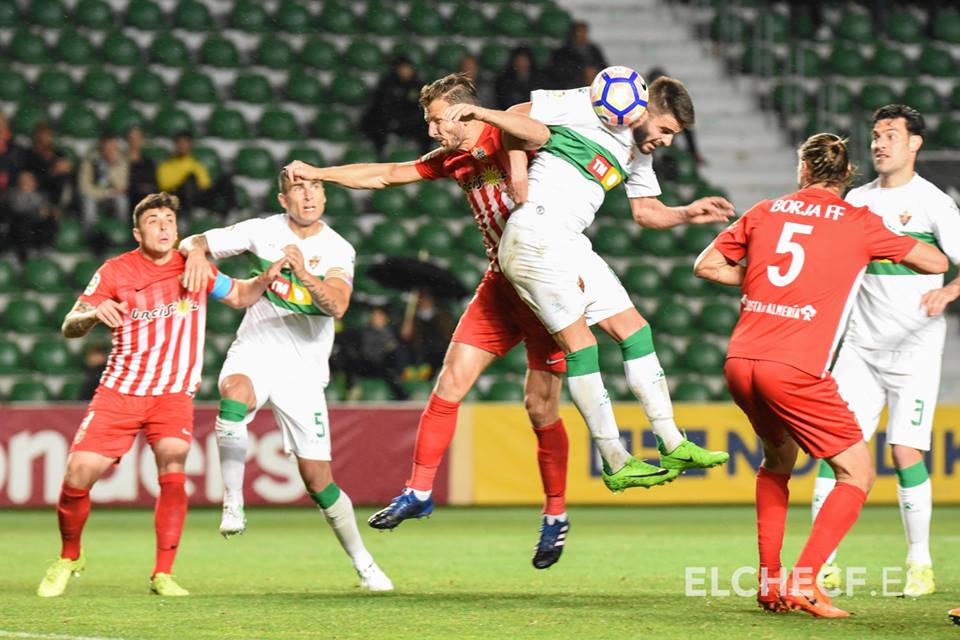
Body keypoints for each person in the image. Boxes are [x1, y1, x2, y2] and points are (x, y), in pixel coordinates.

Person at [286, 73, 576, 569]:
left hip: (546, 284)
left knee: (540, 407)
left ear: (463, 113)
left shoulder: (509, 132)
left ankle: (555, 515)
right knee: (449, 384)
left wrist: (490, 118)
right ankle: (418, 491)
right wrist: (320, 172)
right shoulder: (453, 158)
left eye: (436, 120)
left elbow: (543, 132)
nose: (431, 131)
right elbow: (387, 173)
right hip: (499, 283)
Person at [694, 133, 948, 617]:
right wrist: (880, 247)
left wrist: (759, 281)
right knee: (857, 471)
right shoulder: (859, 221)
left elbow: (706, 266)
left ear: (803, 171)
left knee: (777, 462)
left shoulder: (765, 210)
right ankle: (805, 582)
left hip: (741, 361)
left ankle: (770, 584)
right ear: (846, 175)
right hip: (793, 369)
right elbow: (935, 261)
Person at [36, 192, 284, 598]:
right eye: (154, 220)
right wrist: (92, 315)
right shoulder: (115, 271)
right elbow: (68, 326)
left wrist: (263, 280)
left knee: (173, 460)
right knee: (78, 473)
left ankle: (163, 573)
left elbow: (239, 295)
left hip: (172, 393)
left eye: (169, 219)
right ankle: (69, 556)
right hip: (121, 390)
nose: (164, 226)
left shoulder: (195, 267)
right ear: (137, 232)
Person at [497, 68, 732, 495]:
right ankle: (615, 459)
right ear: (641, 109)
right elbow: (514, 113)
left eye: (674, 135)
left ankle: (673, 442)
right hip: (534, 236)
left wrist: (687, 212)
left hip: (568, 241)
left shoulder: (638, 154)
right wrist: (517, 174)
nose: (667, 141)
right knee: (582, 345)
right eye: (665, 129)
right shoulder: (590, 106)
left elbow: (646, 213)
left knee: (635, 330)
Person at [178, 172, 394, 592]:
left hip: (304, 372)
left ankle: (364, 564)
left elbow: (338, 305)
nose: (308, 194)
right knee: (233, 397)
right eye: (298, 188)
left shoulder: (337, 248)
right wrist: (197, 253)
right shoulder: (261, 231)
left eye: (314, 187)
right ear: (283, 198)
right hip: (256, 349)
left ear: (325, 197)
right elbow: (193, 242)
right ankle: (233, 502)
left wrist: (304, 274)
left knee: (318, 482)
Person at [810, 105, 960, 597]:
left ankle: (919, 563)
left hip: (914, 349)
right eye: (875, 136)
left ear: (914, 143)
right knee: (836, 451)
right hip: (859, 349)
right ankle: (822, 563)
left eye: (891, 135)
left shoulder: (934, 203)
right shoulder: (855, 199)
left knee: (904, 452)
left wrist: (946, 292)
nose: (879, 144)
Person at [361, 56, 430, 154]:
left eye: (408, 68)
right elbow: (382, 107)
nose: (405, 71)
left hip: (411, 122)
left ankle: (425, 155)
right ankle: (380, 155)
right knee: (376, 126)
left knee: (426, 129)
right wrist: (394, 120)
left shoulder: (418, 85)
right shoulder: (387, 85)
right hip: (389, 121)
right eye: (402, 68)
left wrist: (409, 120)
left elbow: (422, 107)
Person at [156, 130, 234, 215]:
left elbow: (205, 184)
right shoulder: (167, 165)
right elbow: (164, 185)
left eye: (185, 143)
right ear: (176, 145)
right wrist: (185, 179)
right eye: (180, 143)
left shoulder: (195, 163)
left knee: (225, 180)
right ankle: (189, 215)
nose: (183, 146)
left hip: (198, 196)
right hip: (179, 197)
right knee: (189, 180)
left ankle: (230, 213)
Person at [4, 169, 57, 261]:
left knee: (50, 221)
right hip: (20, 227)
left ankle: (44, 248)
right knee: (22, 223)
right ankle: (25, 255)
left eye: (29, 180)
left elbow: (48, 209)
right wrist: (37, 213)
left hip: (37, 226)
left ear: (35, 183)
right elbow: (17, 209)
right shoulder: (13, 195)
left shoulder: (42, 196)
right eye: (23, 181)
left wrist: (49, 212)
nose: (26, 183)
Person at [21, 121, 73, 212]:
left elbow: (68, 172)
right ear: (35, 136)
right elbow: (31, 180)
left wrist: (67, 168)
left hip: (56, 190)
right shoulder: (28, 155)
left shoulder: (58, 153)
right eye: (41, 135)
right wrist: (52, 172)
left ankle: (60, 207)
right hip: (38, 191)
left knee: (64, 179)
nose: (44, 138)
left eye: (47, 135)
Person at [78, 133, 129, 225]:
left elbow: (122, 186)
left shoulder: (121, 161)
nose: (110, 150)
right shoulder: (90, 160)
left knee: (122, 201)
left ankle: (121, 231)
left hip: (113, 195)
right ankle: (89, 235)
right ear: (102, 147)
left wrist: (112, 166)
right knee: (89, 204)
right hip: (95, 194)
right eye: (107, 147)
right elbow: (84, 187)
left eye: (113, 147)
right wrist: (105, 193)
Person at [549, 21, 608, 89]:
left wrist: (595, 72)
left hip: (595, 86)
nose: (582, 35)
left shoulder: (593, 49)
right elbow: (559, 73)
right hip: (572, 88)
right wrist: (582, 73)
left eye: (584, 32)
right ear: (573, 34)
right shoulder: (562, 52)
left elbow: (604, 67)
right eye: (579, 32)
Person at [494, 47, 543, 112]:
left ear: (530, 61)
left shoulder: (540, 79)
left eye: (524, 60)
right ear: (513, 61)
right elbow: (503, 103)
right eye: (519, 60)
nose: (522, 63)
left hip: (534, 115)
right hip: (510, 115)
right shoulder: (504, 81)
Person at [126, 126, 158, 207]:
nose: (134, 140)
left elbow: (153, 181)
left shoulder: (149, 162)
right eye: (131, 137)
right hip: (128, 196)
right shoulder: (121, 160)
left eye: (137, 137)